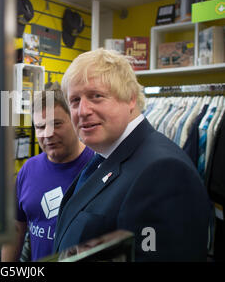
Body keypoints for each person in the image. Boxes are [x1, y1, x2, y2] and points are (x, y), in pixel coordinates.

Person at [53, 48, 211, 261]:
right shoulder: (105, 155)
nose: (82, 110)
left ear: (130, 99)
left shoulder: (163, 173)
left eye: (96, 96)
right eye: (74, 100)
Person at [1, 83, 94, 261]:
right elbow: (16, 228)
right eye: (41, 127)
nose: (48, 133)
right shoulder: (28, 169)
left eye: (56, 124)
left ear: (75, 120)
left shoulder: (98, 169)